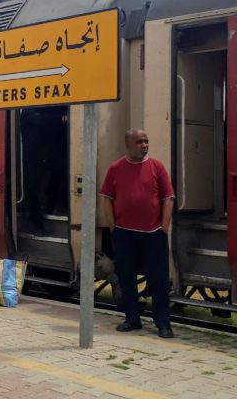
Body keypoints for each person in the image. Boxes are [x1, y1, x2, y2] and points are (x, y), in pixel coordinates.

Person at [100, 128, 176, 339]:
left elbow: (168, 198)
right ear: (128, 144)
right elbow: (107, 198)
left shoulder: (156, 167)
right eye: (139, 142)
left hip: (153, 234)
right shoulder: (116, 168)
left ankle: (163, 323)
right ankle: (132, 319)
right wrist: (113, 226)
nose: (144, 145)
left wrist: (164, 227)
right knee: (127, 278)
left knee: (159, 280)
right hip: (124, 233)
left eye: (146, 141)